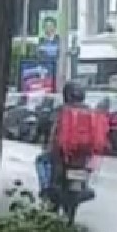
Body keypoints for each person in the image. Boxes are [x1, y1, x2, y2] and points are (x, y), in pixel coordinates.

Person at [41, 82, 108, 212]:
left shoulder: (61, 110)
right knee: (80, 176)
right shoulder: (90, 112)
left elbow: (45, 124)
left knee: (41, 162)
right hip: (83, 155)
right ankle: (80, 191)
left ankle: (46, 191)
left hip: (61, 153)